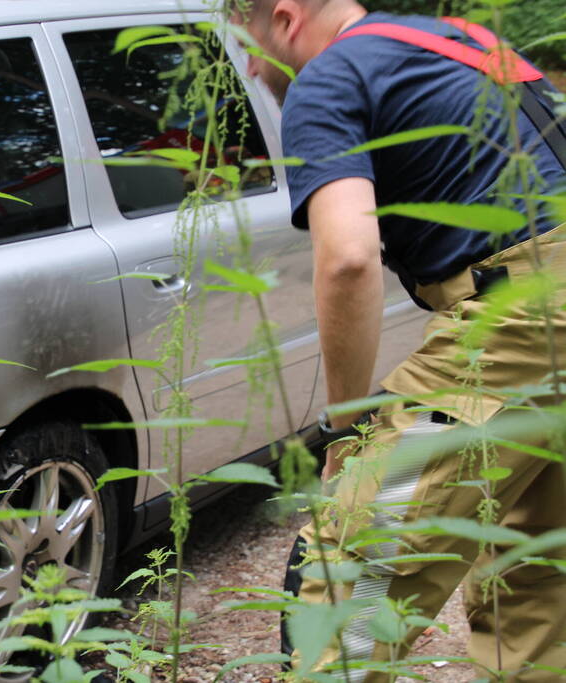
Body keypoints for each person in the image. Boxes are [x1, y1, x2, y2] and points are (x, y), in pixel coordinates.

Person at [238, 0, 566, 680]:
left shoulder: (328, 77)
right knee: (533, 574)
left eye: (248, 43)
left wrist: (346, 427)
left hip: (523, 324)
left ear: (283, 18)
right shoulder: (458, 42)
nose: (248, 65)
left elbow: (348, 258)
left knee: (352, 560)